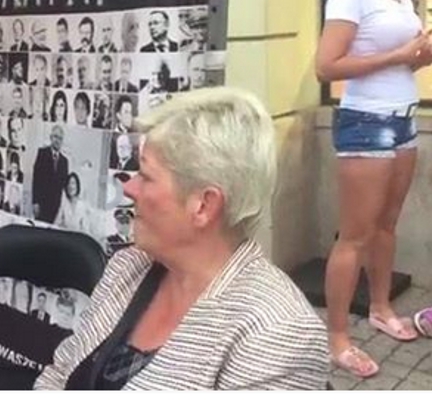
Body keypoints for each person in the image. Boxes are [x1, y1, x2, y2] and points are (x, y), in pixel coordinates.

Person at [34, 87, 328, 390]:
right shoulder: (128, 266)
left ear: (204, 205)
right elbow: (60, 373)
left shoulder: (276, 334)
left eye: (146, 176)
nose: (129, 188)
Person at [316, 0, 432, 378]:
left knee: (386, 225)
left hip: (404, 118)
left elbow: (405, 64)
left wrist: (421, 57)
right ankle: (337, 339)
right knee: (355, 236)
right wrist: (398, 54)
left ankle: (380, 309)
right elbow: (326, 67)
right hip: (366, 120)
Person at [32, 125, 69, 223]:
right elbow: (36, 179)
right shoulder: (42, 153)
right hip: (42, 204)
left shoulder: (65, 161)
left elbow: (64, 184)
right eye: (55, 137)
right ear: (51, 137)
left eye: (60, 138)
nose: (57, 140)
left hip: (56, 206)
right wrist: (35, 202)